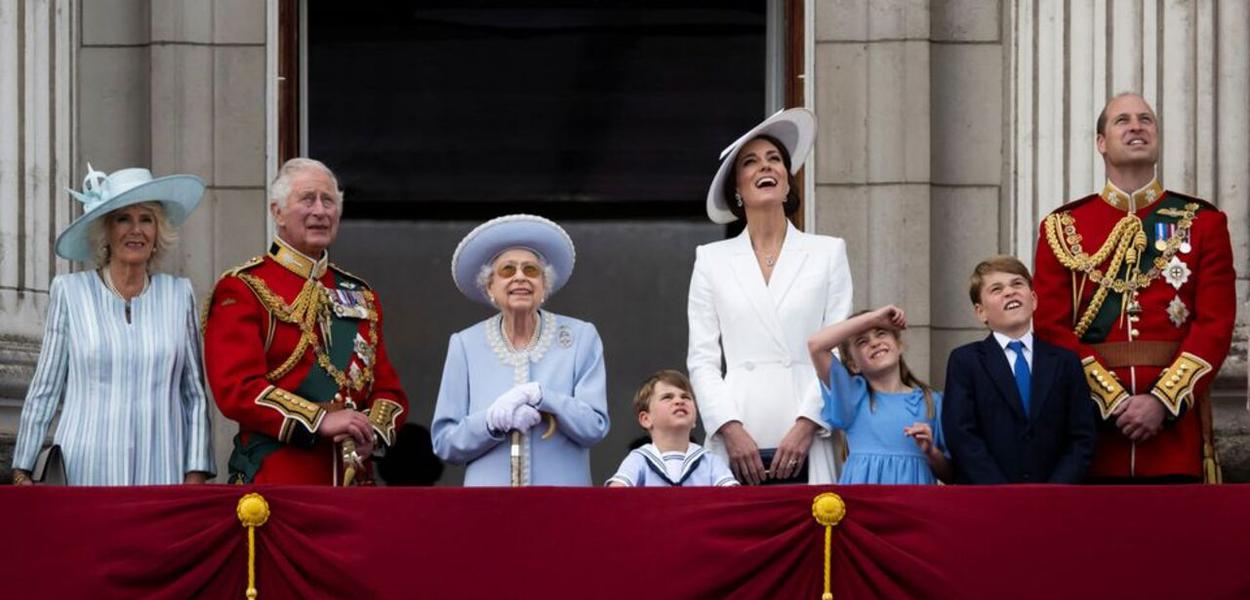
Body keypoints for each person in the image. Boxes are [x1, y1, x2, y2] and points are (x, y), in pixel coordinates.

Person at [1033, 93, 1237, 484]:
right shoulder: (1063, 227)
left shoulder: (1203, 223)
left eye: (1146, 119)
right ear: (1101, 142)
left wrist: (1162, 401)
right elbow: (1050, 326)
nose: (1136, 126)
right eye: (1122, 120)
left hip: (1174, 436)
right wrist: (1112, 400)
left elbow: (1215, 325)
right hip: (1091, 435)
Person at [203, 158, 408, 485]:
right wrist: (320, 420)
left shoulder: (359, 294)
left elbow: (388, 390)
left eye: (329, 201)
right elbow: (236, 389)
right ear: (277, 212)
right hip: (278, 480)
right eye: (307, 199)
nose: (320, 211)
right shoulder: (243, 288)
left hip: (352, 481)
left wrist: (371, 432)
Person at [11, 165, 215, 485]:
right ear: (106, 231)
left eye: (146, 219)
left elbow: (194, 395)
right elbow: (45, 388)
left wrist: (196, 472)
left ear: (158, 231)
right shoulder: (70, 292)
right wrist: (22, 468)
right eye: (123, 219)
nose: (136, 230)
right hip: (85, 471)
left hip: (162, 472)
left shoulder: (179, 295)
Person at [687, 108, 852, 485]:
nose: (766, 167)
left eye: (775, 159)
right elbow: (702, 358)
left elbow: (837, 349)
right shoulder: (711, 260)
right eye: (751, 162)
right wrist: (729, 427)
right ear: (737, 190)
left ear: (788, 182)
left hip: (807, 426)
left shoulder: (828, 252)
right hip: (738, 428)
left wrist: (808, 423)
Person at [431, 214, 609, 486]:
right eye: (507, 270)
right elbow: (445, 443)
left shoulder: (580, 337)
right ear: (490, 286)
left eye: (531, 270)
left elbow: (594, 427)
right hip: (489, 505)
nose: (520, 278)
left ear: (544, 286)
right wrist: (490, 422)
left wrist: (543, 397)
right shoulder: (465, 344)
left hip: (563, 503)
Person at [942, 257, 1096, 484]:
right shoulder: (965, 362)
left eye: (1017, 284)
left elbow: (1082, 436)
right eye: (997, 289)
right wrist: (1004, 494)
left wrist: (1054, 490)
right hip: (990, 498)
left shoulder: (1064, 361)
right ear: (980, 311)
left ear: (1033, 299)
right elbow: (962, 435)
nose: (1009, 292)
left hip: (1055, 499)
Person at [808, 306, 951, 484]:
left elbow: (950, 474)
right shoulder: (852, 396)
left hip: (913, 504)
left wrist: (931, 451)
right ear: (853, 365)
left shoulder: (931, 401)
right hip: (864, 504)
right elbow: (816, 345)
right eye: (862, 341)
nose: (875, 343)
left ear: (899, 345)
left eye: (881, 333)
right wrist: (874, 318)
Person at [606, 370, 737, 487]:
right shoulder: (638, 459)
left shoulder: (710, 461)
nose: (679, 401)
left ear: (695, 419)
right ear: (646, 419)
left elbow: (734, 497)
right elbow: (616, 495)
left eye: (685, 397)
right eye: (667, 397)